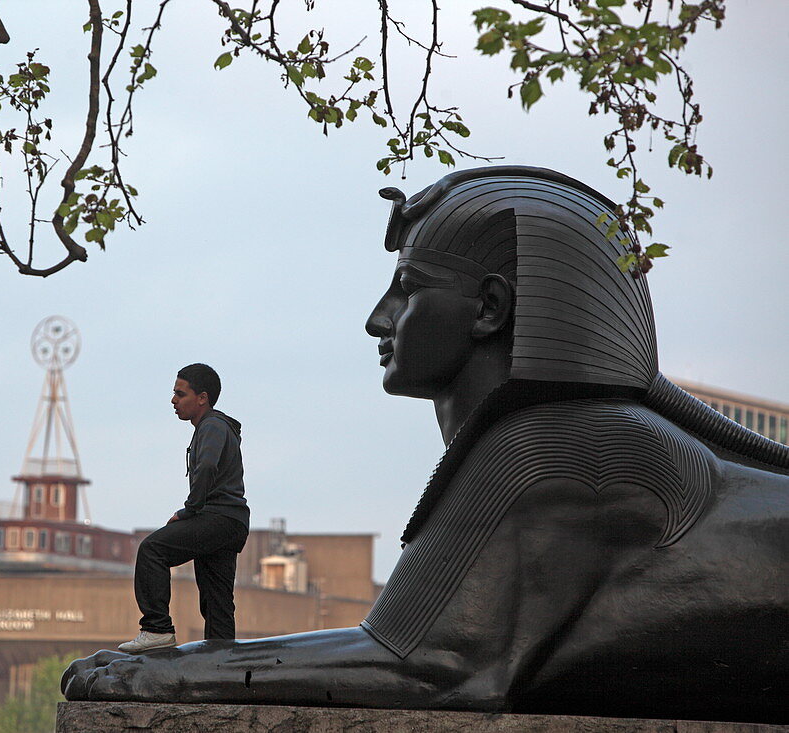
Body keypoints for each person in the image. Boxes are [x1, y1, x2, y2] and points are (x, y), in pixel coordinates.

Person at [65, 167, 788, 724]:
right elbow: (403, 646)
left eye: (407, 290)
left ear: (492, 308)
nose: (379, 320)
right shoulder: (566, 441)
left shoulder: (566, 456)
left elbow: (429, 666)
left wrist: (171, 674)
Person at [117, 363, 249, 653]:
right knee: (217, 600)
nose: (173, 400)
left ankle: (157, 629)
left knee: (152, 549)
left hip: (217, 517)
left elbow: (207, 466)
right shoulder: (216, 426)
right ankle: (221, 658)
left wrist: (189, 510)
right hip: (232, 522)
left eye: (180, 394)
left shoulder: (211, 425)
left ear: (202, 398)